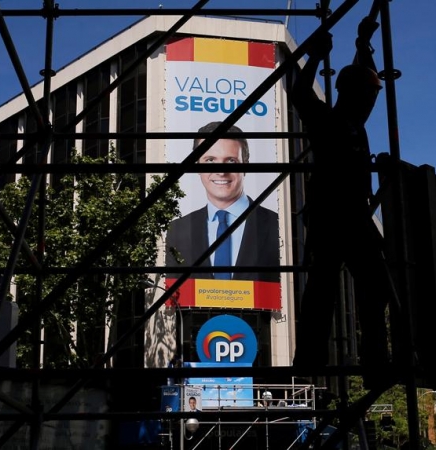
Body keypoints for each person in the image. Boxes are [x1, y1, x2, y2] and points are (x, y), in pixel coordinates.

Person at [290, 17, 395, 381]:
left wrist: (363, 42)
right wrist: (316, 58)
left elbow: (361, 75)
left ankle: (375, 361)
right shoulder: (329, 120)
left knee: (376, 284)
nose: (371, 101)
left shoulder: (354, 124)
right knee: (323, 291)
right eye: (369, 95)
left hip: (352, 216)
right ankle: (309, 362)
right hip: (333, 216)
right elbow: (300, 94)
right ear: (353, 95)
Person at [165, 121, 280, 282]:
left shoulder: (278, 225)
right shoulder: (177, 230)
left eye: (231, 161)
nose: (221, 171)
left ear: (245, 166)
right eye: (210, 160)